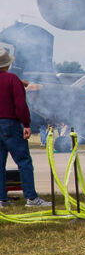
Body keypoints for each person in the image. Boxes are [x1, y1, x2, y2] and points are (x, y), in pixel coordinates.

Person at [0, 48, 51, 208]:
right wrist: (26, 124)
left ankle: (2, 199)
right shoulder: (12, 79)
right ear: (8, 64)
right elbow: (20, 105)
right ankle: (31, 198)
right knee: (23, 161)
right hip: (10, 123)